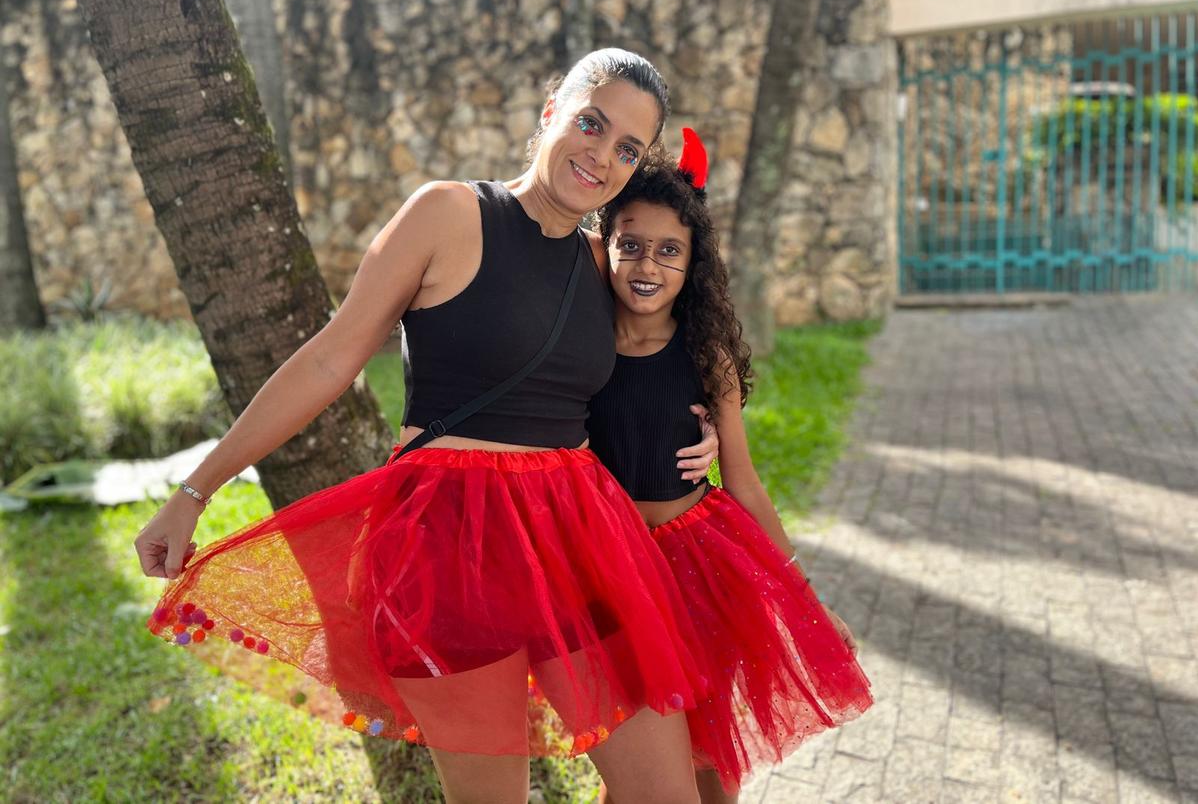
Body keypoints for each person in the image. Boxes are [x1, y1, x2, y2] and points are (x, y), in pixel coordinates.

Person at [134, 49, 722, 804]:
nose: (601, 156)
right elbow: (328, 361)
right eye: (591, 123)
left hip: (582, 542)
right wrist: (195, 490)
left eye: (627, 150)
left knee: (664, 794)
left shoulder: (598, 262)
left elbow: (636, 368)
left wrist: (696, 430)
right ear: (552, 114)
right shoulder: (449, 214)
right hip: (451, 548)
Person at [587, 130, 873, 802]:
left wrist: (807, 600)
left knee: (709, 763)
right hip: (614, 573)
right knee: (637, 762)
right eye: (629, 245)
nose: (645, 264)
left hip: (699, 573)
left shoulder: (703, 354)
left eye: (668, 250)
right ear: (604, 246)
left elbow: (742, 481)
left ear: (694, 262)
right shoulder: (582, 350)